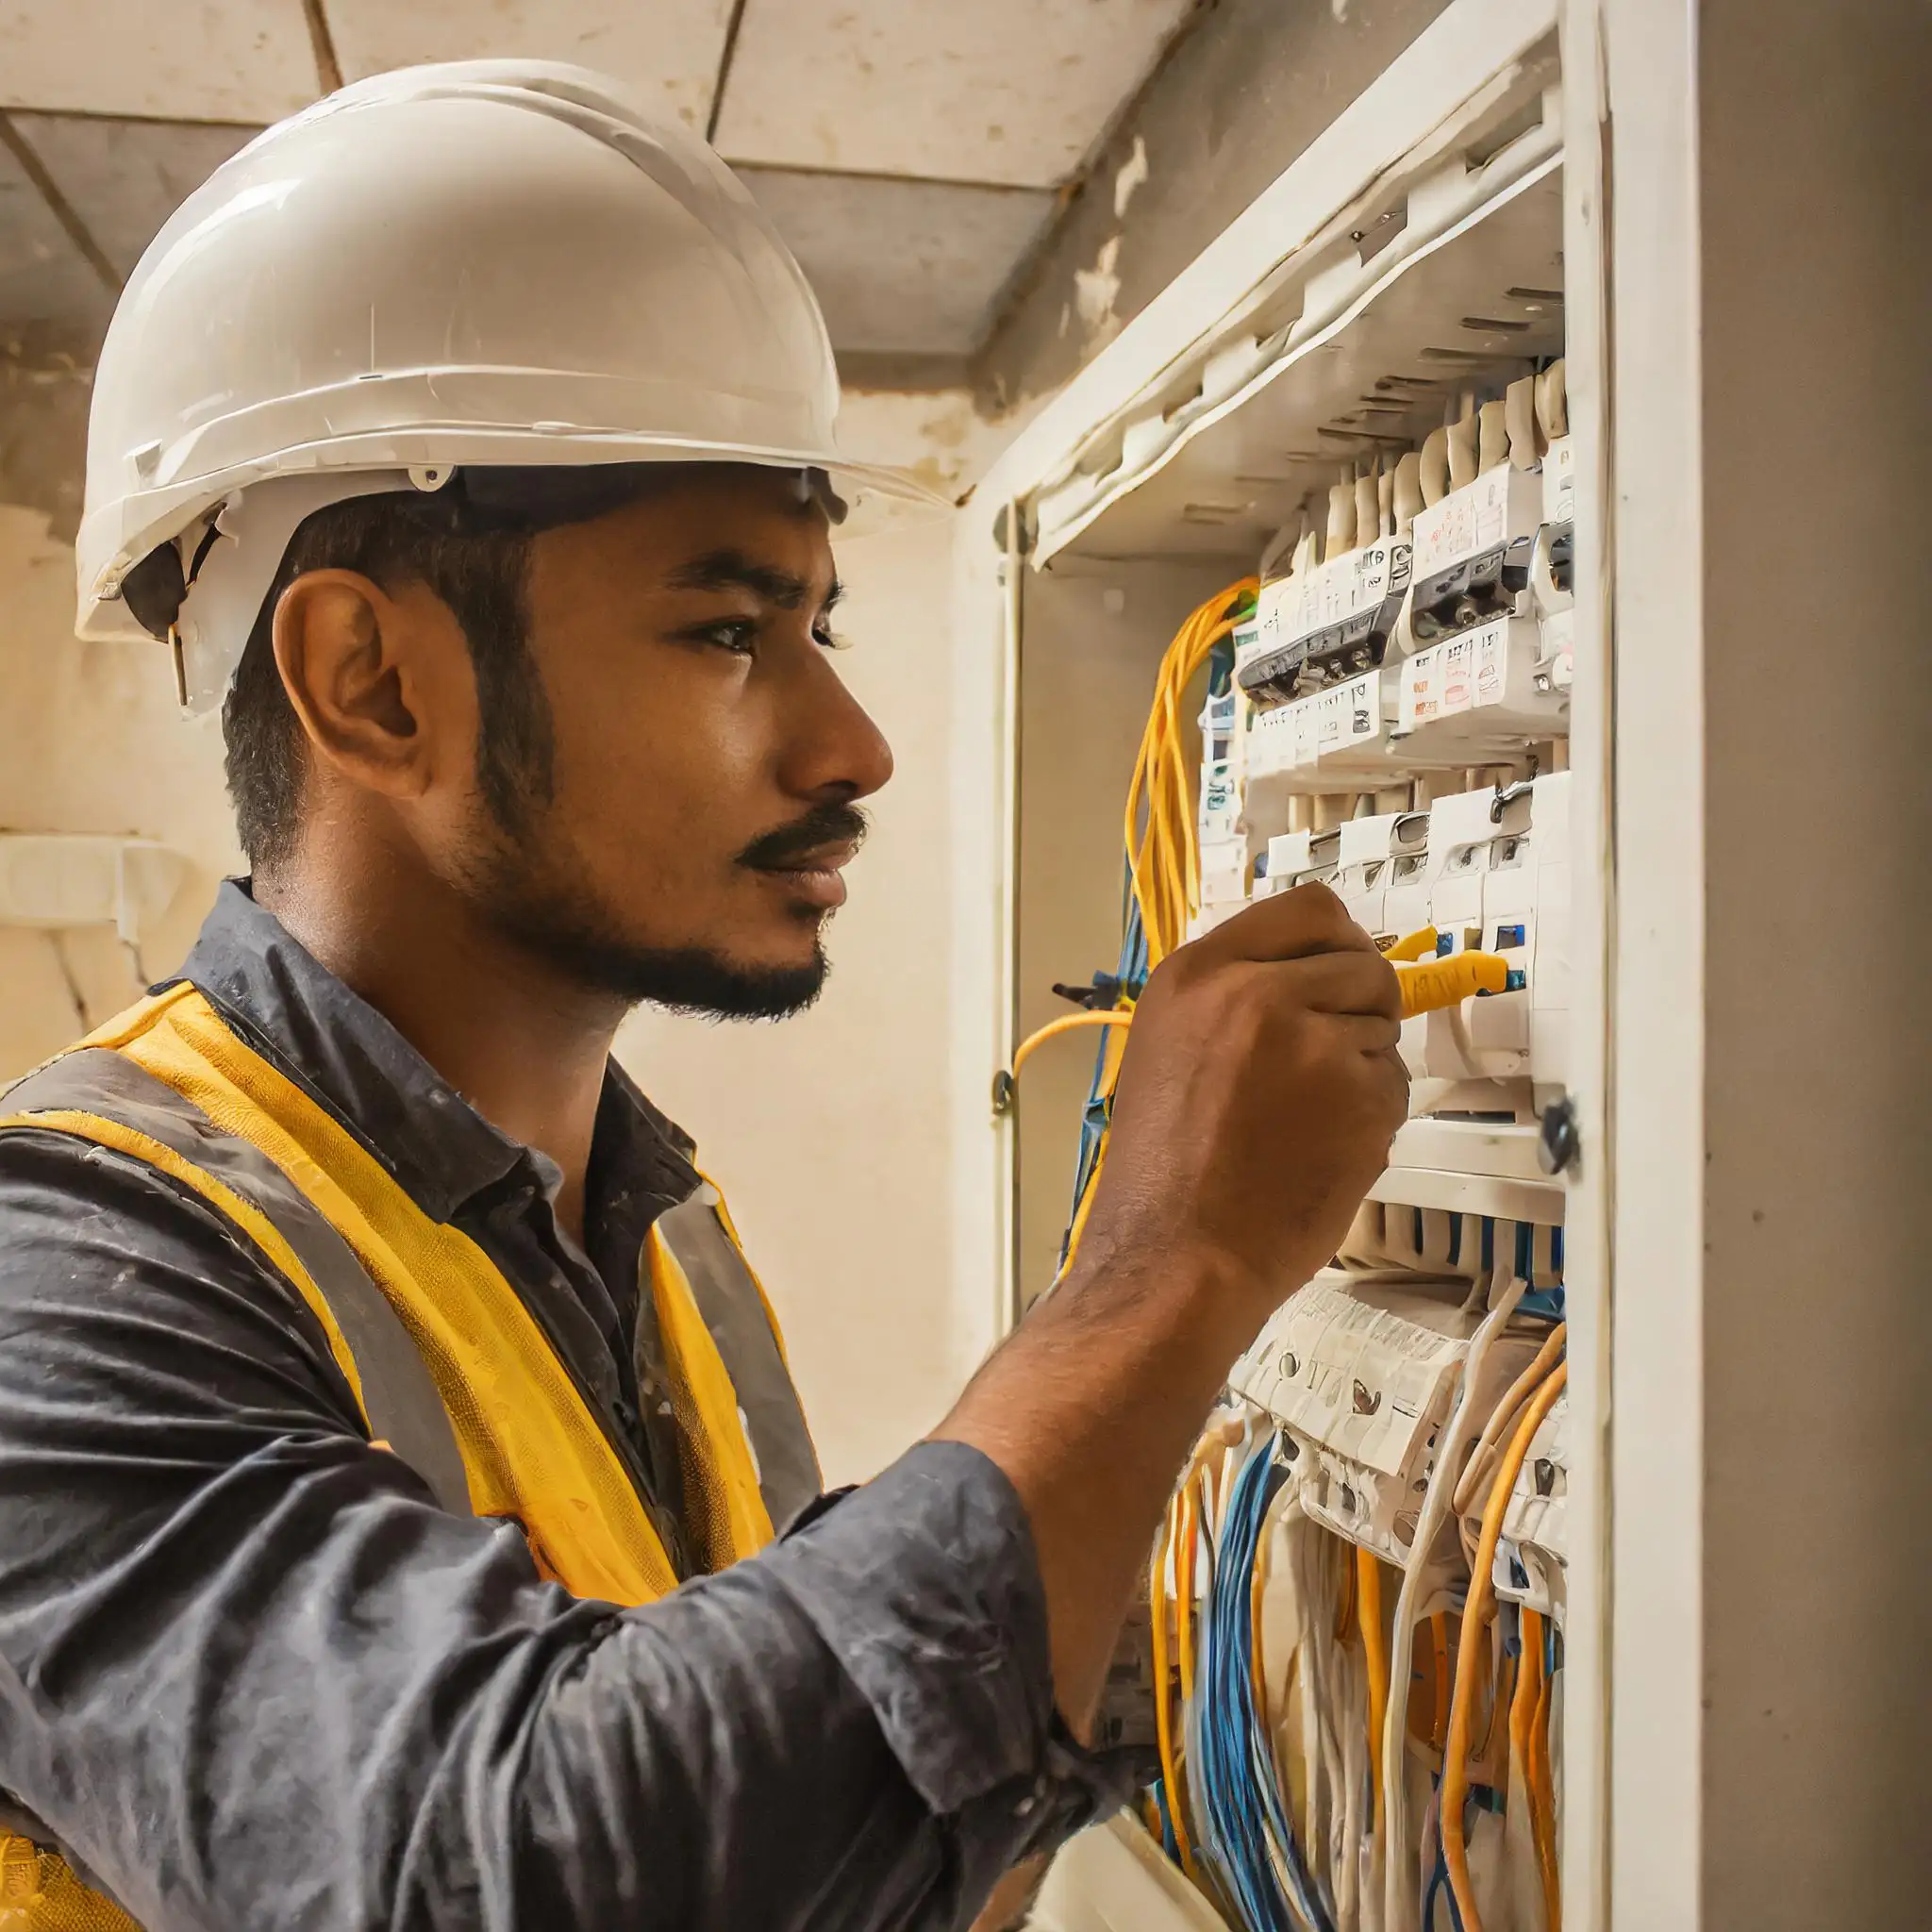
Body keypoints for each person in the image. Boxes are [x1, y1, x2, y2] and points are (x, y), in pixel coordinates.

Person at [0, 62, 1407, 1932]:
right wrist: (1156, 1279)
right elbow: (517, 1878)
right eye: (728, 630)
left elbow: (828, 1859)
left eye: (816, 626)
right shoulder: (67, 1273)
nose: (855, 740)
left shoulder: (661, 1236)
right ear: (373, 681)